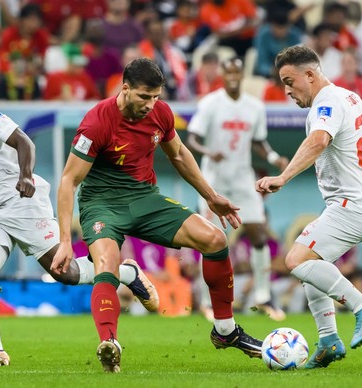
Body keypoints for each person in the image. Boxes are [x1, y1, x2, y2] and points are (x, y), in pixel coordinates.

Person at [0, 54, 159, 367]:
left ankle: (126, 272)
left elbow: (23, 141)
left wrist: (25, 175)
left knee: (63, 272)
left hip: (18, 198)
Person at [51, 58, 263, 373]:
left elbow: (178, 153)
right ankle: (110, 342)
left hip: (145, 198)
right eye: (144, 97)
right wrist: (65, 240)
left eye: (156, 97)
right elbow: (68, 180)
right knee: (106, 265)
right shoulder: (96, 122)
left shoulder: (160, 114)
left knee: (215, 240)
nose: (151, 105)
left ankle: (225, 330)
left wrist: (211, 196)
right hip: (102, 203)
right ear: (125, 89)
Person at [256, 45, 362, 369]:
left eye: (289, 81)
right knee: (311, 261)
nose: (286, 90)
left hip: (353, 206)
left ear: (311, 75)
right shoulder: (349, 97)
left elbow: (318, 142)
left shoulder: (326, 102)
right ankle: (329, 340)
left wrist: (283, 177)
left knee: (296, 259)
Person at [186, 57, 288, 321]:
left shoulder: (254, 107)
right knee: (211, 241)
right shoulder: (210, 103)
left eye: (236, 72)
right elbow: (192, 138)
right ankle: (208, 302)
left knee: (259, 235)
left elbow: (259, 140)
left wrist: (274, 157)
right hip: (214, 182)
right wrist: (209, 151)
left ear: (242, 74)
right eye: (228, 71)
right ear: (222, 72)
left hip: (243, 180)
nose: (232, 76)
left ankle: (263, 296)